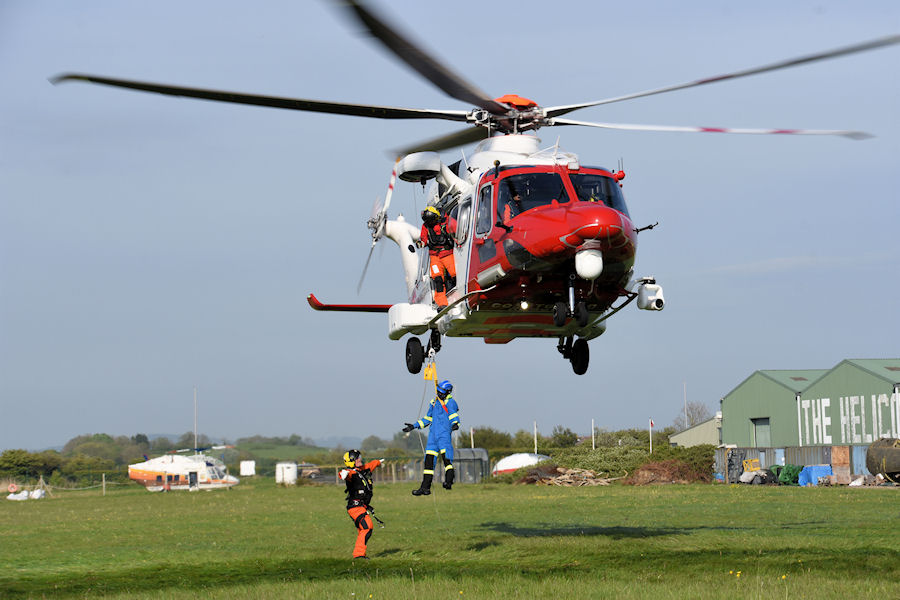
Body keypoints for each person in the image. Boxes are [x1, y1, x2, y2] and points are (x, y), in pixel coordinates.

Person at [402, 379, 460, 496]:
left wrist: (455, 424)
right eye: (438, 391)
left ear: (447, 392)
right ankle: (425, 488)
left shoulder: (450, 402)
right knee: (428, 463)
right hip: (432, 437)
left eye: (441, 392)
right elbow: (428, 418)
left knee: (447, 460)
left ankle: (448, 482)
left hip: (444, 436)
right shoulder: (434, 402)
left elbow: (453, 414)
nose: (438, 394)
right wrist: (414, 426)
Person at [339, 449, 383, 559]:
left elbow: (371, 465)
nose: (360, 459)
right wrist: (343, 474)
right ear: (352, 461)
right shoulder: (351, 473)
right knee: (367, 527)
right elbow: (345, 474)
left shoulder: (362, 470)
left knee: (363, 530)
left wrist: (378, 462)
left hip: (361, 506)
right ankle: (359, 555)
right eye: (357, 458)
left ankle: (359, 555)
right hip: (355, 507)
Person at [418, 206, 456, 307]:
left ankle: (458, 294)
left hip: (447, 253)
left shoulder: (445, 222)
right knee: (438, 279)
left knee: (455, 273)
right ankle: (442, 303)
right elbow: (424, 238)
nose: (429, 223)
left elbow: (453, 230)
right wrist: (421, 243)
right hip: (434, 256)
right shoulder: (425, 226)